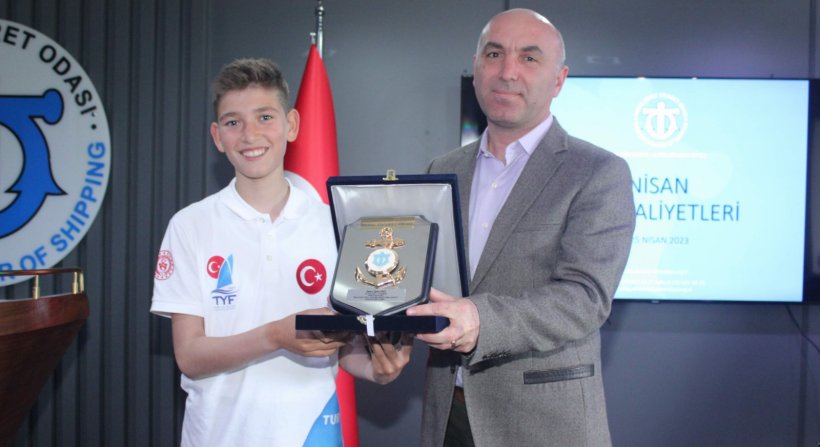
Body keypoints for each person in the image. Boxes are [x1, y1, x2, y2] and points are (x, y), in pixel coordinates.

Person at [150, 58, 411, 446]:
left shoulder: (337, 224)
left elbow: (343, 347)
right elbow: (189, 355)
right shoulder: (190, 225)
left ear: (291, 125)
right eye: (233, 122)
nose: (250, 134)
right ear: (217, 136)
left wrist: (378, 369)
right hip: (218, 436)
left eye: (265, 117)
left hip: (312, 433)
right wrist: (275, 335)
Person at [405, 9, 636, 447]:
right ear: (476, 67)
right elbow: (423, 283)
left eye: (529, 58)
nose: (507, 71)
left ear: (559, 80)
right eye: (494, 54)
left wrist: (478, 318)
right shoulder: (442, 170)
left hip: (543, 425)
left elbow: (584, 298)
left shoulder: (597, 172)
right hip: (447, 415)